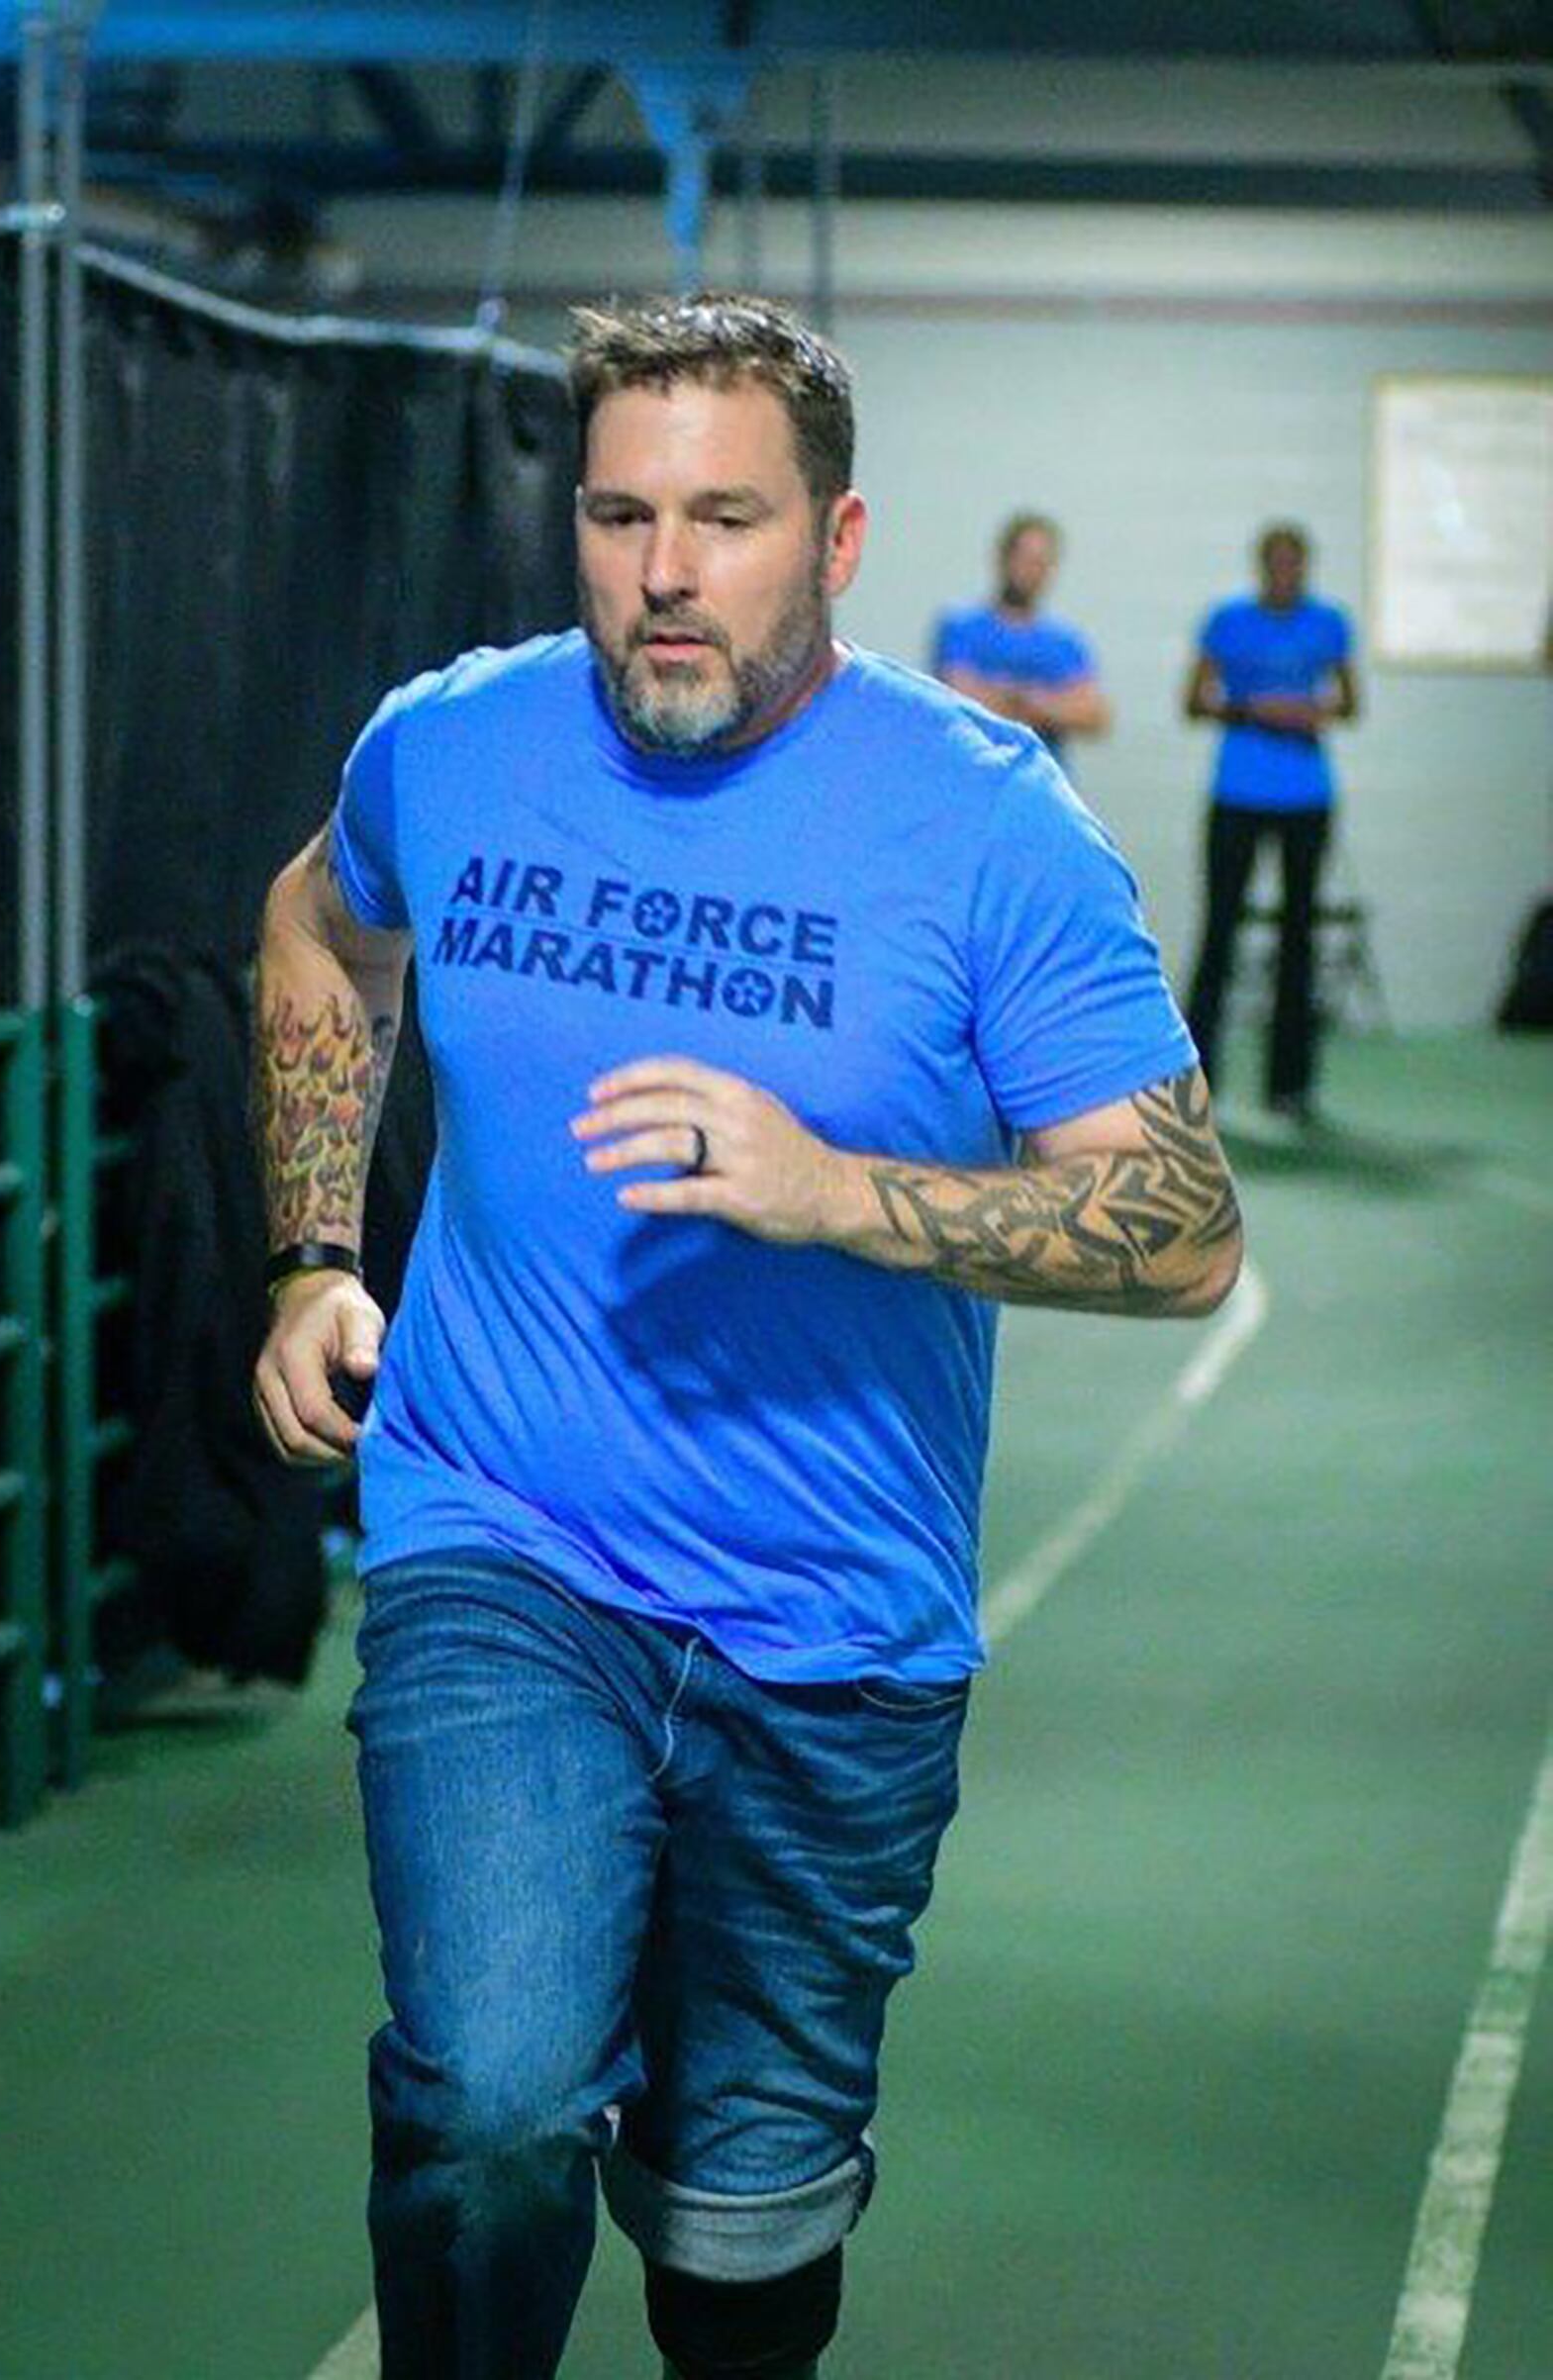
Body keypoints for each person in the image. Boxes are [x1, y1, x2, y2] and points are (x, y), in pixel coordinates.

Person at [251, 293, 1242, 2380]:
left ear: (841, 538)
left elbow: (1176, 1229)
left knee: (739, 2223)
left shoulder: (984, 825)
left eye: (725, 517)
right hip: (502, 1540)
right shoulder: (448, 742)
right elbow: (319, 938)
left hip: (832, 1622)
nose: (665, 575)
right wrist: (311, 1254)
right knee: (498, 2105)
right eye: (620, 515)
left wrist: (832, 1190)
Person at [1182, 523, 1360, 1118]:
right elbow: (1194, 699)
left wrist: (1310, 711)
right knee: (1220, 931)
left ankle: (1290, 1083)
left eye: (1295, 564)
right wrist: (1252, 709)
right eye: (1276, 563)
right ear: (1261, 566)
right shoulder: (1227, 621)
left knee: (1299, 935)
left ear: (1305, 568)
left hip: (1306, 796)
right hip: (1238, 791)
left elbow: (1351, 702)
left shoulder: (1329, 623)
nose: (1285, 573)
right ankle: (1200, 1078)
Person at [929, 511, 1111, 765]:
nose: (1031, 571)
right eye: (1024, 559)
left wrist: (1020, 699)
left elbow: (1094, 715)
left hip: (1038, 784)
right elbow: (961, 698)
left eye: (1041, 562)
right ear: (1003, 559)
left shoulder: (1064, 641)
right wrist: (1051, 702)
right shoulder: (962, 627)